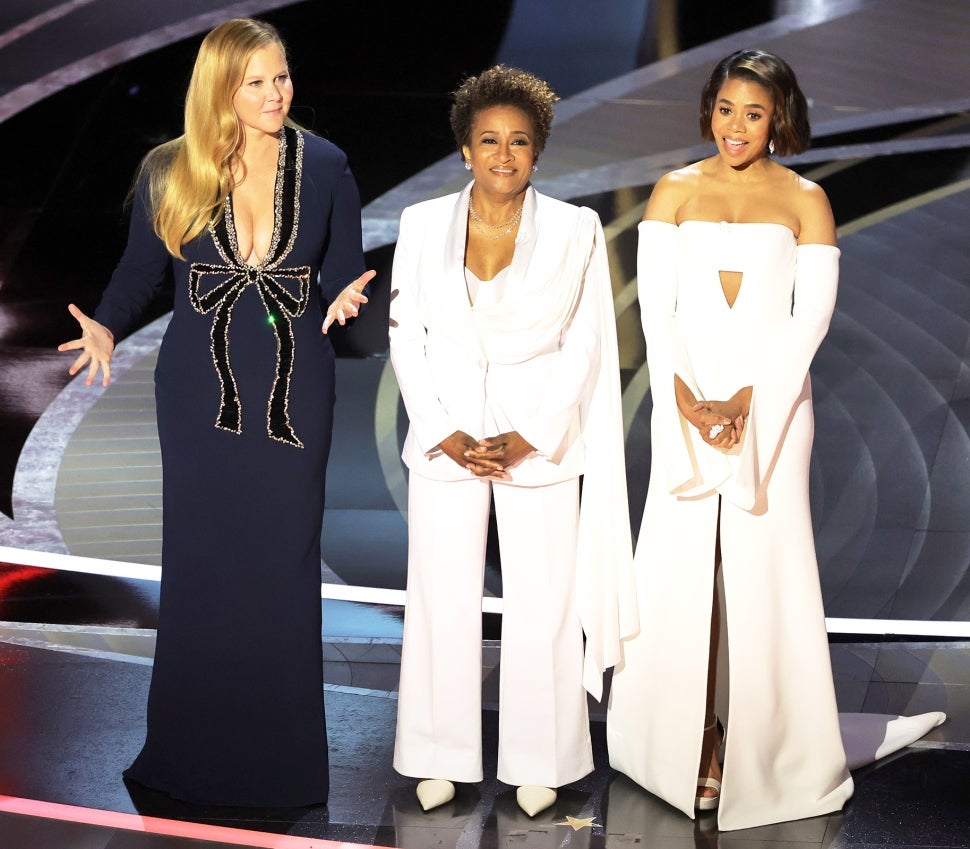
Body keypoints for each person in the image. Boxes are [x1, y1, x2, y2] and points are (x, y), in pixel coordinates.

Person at [606, 48, 944, 831]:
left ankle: (761, 749)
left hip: (776, 408)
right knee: (685, 568)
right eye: (725, 109)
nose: (735, 126)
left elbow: (810, 319)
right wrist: (691, 400)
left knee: (761, 569)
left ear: (778, 118)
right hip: (687, 407)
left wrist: (748, 402)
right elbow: (658, 310)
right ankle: (686, 740)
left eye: (753, 113)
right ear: (710, 109)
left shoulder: (806, 200)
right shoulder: (674, 190)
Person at [58, 17, 374, 807]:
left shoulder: (327, 164)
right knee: (203, 563)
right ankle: (191, 754)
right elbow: (141, 272)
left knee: (283, 565)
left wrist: (349, 297)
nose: (275, 94)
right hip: (198, 391)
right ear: (221, 89)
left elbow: (344, 272)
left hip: (296, 390)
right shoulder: (171, 168)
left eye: (282, 76)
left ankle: (280, 765)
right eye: (256, 82)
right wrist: (105, 324)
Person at [388, 65, 636, 818]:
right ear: (465, 148)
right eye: (489, 140)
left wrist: (532, 433)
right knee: (440, 597)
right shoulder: (420, 223)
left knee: (544, 601)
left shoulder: (575, 228)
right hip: (447, 438)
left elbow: (587, 342)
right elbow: (406, 336)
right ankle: (438, 755)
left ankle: (543, 760)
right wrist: (445, 431)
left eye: (519, 141)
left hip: (538, 437)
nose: (504, 154)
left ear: (538, 150)